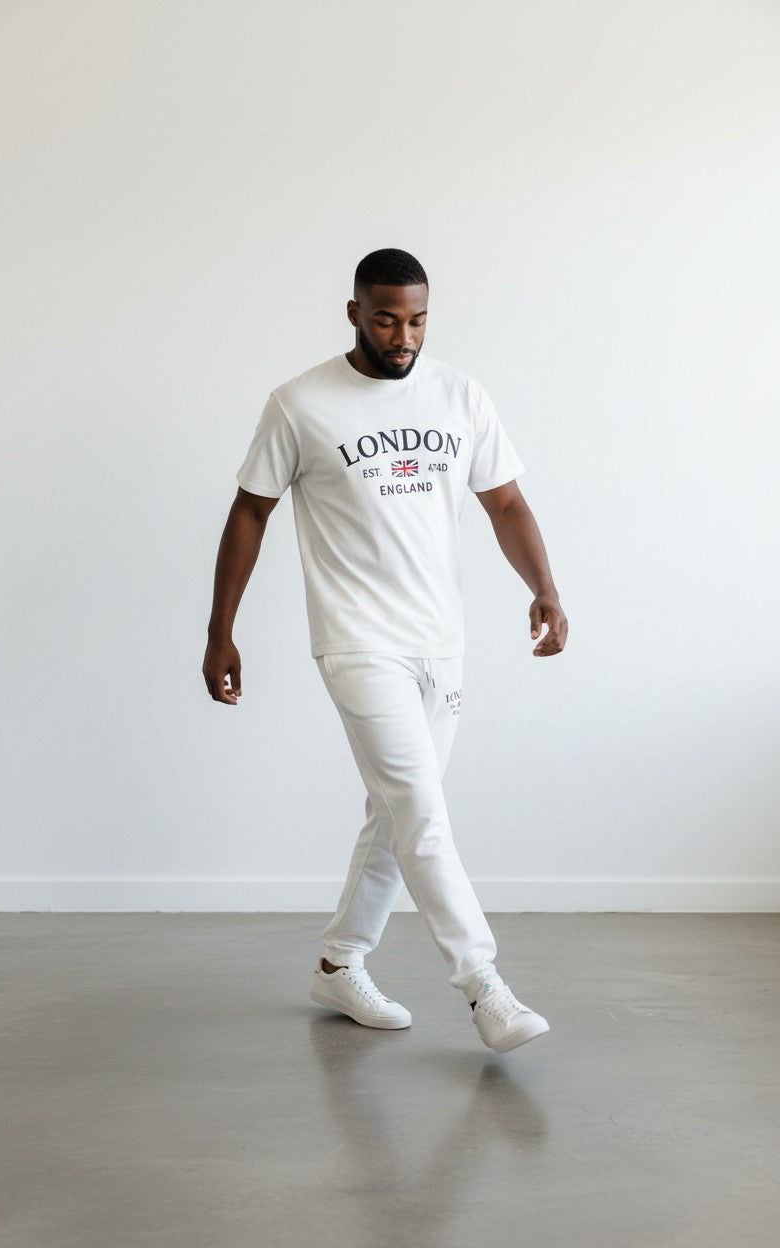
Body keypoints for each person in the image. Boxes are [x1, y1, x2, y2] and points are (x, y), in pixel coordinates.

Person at [202, 248, 568, 1054]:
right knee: (423, 817)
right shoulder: (300, 404)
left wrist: (542, 586)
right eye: (385, 318)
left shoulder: (460, 394)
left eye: (417, 319)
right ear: (353, 313)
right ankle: (485, 988)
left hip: (442, 641)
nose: (403, 336)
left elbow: (504, 501)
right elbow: (249, 513)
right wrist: (219, 628)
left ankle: (340, 963)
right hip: (357, 640)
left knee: (398, 813)